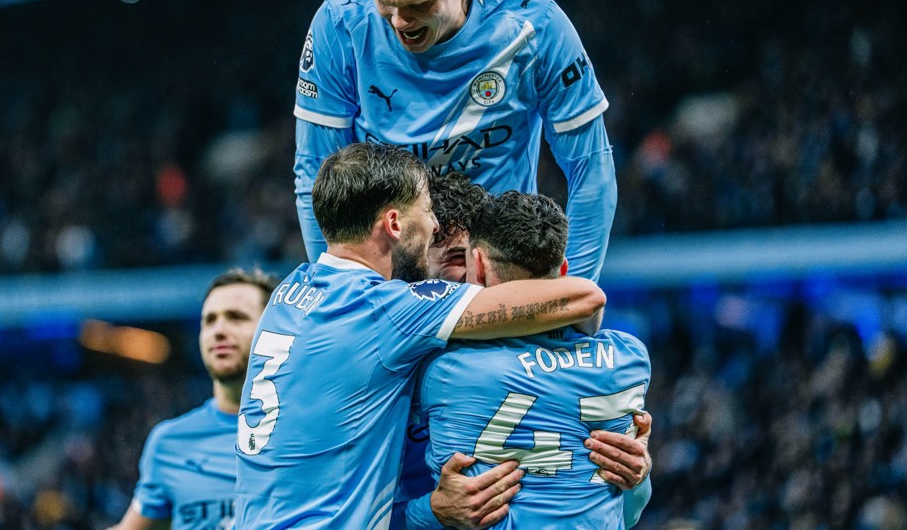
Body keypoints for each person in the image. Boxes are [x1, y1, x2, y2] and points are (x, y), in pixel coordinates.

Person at [235, 142, 608, 528]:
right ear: (394, 224)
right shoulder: (389, 311)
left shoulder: (290, 293)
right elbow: (585, 298)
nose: (432, 225)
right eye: (427, 210)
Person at [293, 0, 617, 283]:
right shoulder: (338, 26)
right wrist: (338, 288)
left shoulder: (536, 29)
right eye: (384, 3)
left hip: (499, 271)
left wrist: (574, 292)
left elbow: (590, 166)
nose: (399, 22)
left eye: (416, 4)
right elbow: (316, 177)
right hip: (392, 278)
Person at [414, 191, 652, 528]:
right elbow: (627, 513)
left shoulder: (442, 368)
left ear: (477, 265)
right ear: (563, 270)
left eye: (461, 259)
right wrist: (641, 478)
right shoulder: (629, 357)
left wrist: (426, 512)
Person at [107, 268, 278, 530]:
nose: (219, 330)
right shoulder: (169, 444)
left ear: (274, 331)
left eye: (236, 317)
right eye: (209, 321)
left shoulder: (316, 434)